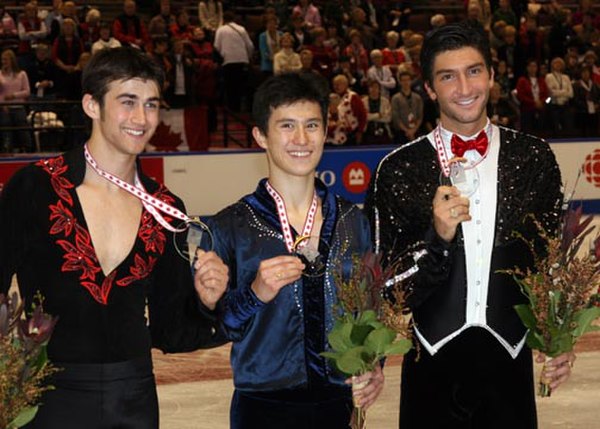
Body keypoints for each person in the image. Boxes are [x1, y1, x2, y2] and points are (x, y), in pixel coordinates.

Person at [0, 46, 228, 428]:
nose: (142, 118)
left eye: (152, 104)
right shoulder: (35, 187)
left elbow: (173, 333)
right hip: (44, 398)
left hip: (133, 401)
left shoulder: (165, 207)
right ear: (92, 105)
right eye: (128, 102)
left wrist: (204, 301)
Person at [365, 21, 574, 429]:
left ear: (492, 76)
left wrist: (559, 336)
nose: (464, 87)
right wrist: (437, 238)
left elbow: (549, 264)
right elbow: (386, 290)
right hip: (431, 367)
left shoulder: (534, 158)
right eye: (448, 76)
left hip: (510, 366)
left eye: (474, 71)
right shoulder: (398, 170)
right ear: (429, 89)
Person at [204, 72, 384, 429]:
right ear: (260, 135)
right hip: (262, 407)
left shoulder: (352, 221)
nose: (301, 139)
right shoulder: (231, 227)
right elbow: (220, 325)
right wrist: (255, 294)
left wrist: (373, 365)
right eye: (287, 126)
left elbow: (370, 308)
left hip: (338, 404)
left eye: (312, 125)